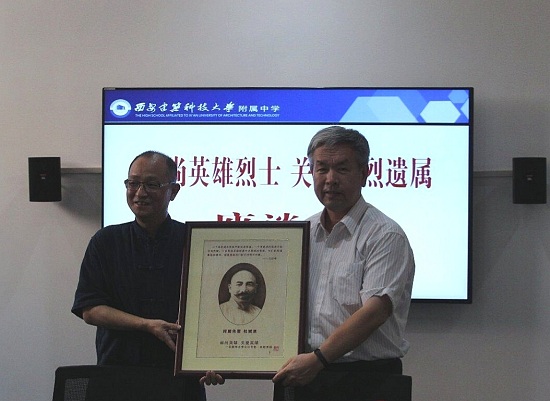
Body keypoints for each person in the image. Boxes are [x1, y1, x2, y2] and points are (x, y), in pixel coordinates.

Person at [272, 126, 416, 401]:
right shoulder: (301, 233)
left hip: (366, 381)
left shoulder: (385, 234)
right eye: (322, 169)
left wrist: (318, 359)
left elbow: (375, 312)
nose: (330, 179)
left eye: (342, 169)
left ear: (364, 173)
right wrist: (222, 357)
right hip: (302, 375)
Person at [71, 150, 222, 400]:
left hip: (179, 381)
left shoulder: (194, 241)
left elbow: (213, 310)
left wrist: (216, 358)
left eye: (152, 184)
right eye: (133, 183)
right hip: (117, 376)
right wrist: (146, 325)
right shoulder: (106, 241)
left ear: (174, 191)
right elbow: (90, 309)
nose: (140, 192)